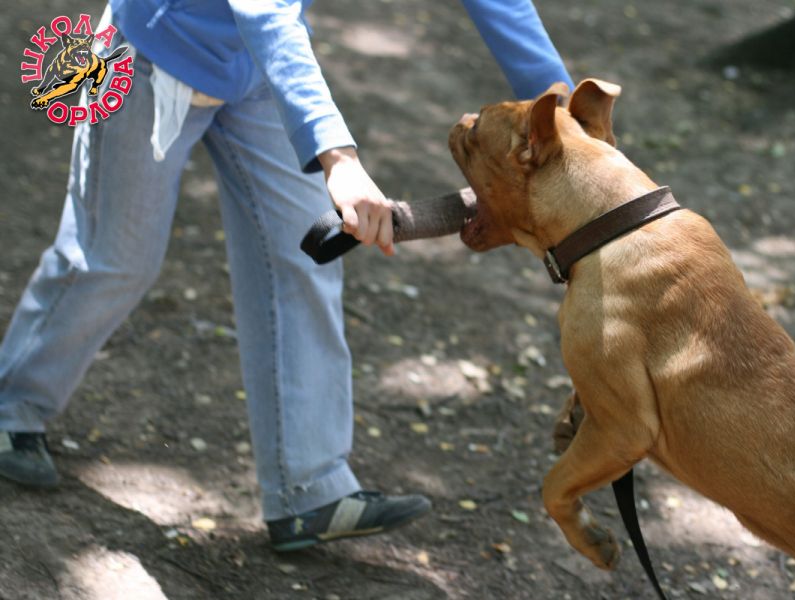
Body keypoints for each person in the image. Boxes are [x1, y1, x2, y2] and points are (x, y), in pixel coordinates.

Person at [0, 0, 573, 551]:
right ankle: (12, 406)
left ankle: (309, 489)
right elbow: (264, 7)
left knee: (302, 251)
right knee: (114, 258)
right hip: (151, 51)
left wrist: (562, 110)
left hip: (254, 71)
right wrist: (338, 158)